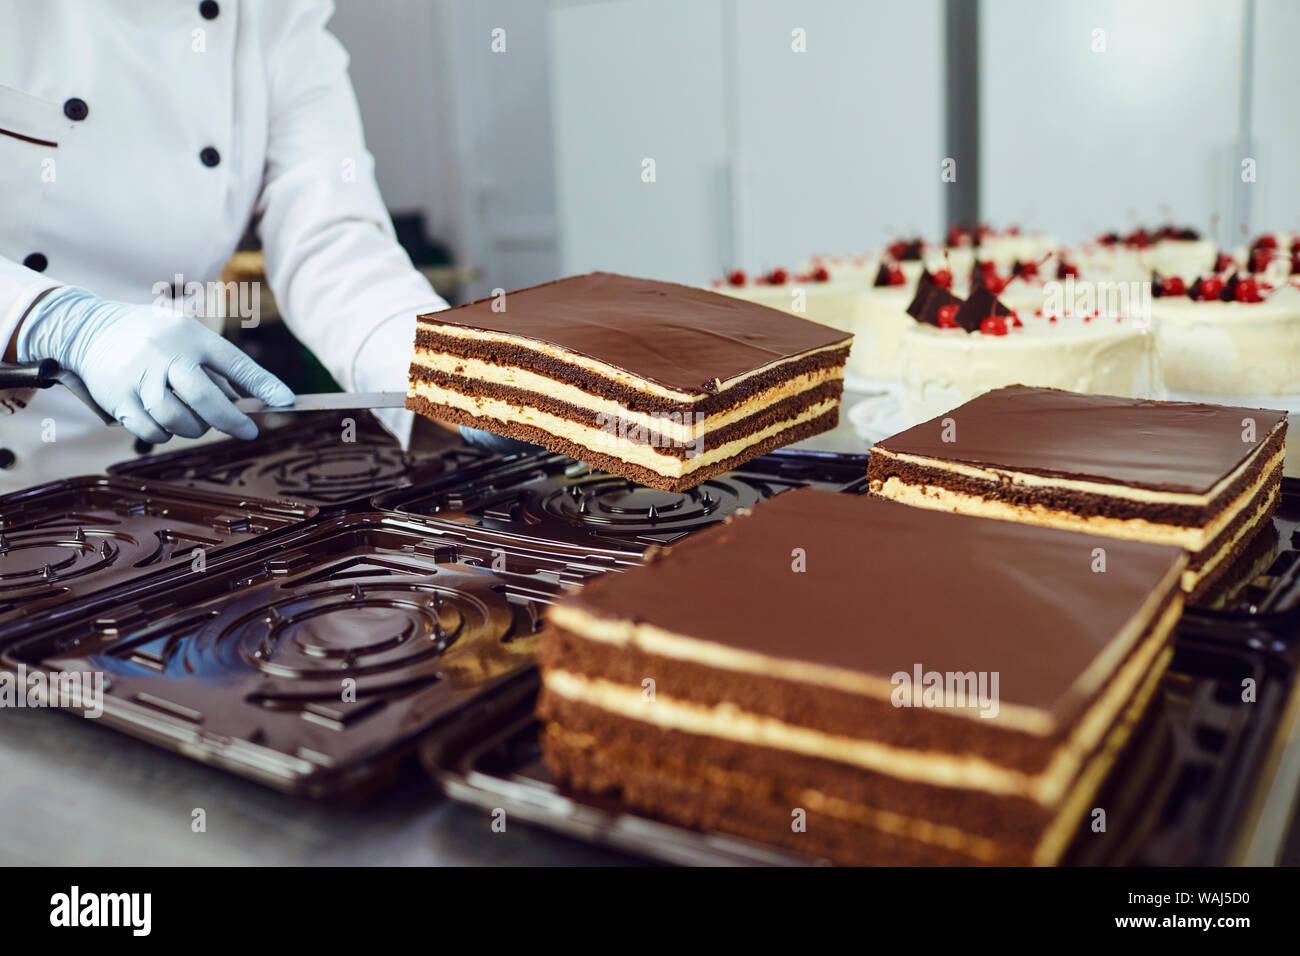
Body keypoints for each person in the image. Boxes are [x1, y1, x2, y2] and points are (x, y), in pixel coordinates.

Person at [0, 0, 474, 494]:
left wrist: (449, 374)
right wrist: (60, 323)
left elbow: (333, 242)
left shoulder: (275, 13)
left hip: (171, 475)